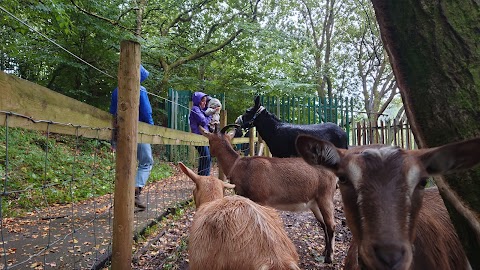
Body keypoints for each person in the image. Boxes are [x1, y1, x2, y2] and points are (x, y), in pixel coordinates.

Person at [110, 64, 154, 210]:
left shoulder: (116, 90)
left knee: (125, 165)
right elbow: (146, 113)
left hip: (120, 131)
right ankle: (136, 190)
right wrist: (150, 130)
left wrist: (113, 139)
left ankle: (122, 200)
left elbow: (112, 114)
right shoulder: (141, 90)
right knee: (146, 161)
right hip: (138, 130)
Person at [189, 92, 212, 176]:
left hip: (204, 138)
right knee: (206, 157)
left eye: (205, 101)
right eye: (203, 101)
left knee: (205, 158)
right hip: (198, 137)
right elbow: (203, 121)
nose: (204, 103)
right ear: (198, 101)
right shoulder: (195, 109)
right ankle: (203, 179)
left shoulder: (202, 110)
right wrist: (210, 116)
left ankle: (203, 178)